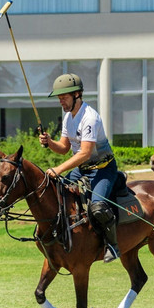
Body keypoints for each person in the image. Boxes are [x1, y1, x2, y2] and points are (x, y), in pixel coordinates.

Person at [39, 73, 121, 263]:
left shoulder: (90, 117)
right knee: (56, 192)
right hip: (83, 169)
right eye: (59, 98)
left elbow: (85, 153)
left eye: (64, 97)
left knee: (98, 207)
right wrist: (50, 142)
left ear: (77, 94)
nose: (61, 101)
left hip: (103, 169)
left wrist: (58, 170)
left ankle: (113, 245)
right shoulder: (68, 117)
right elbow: (63, 148)